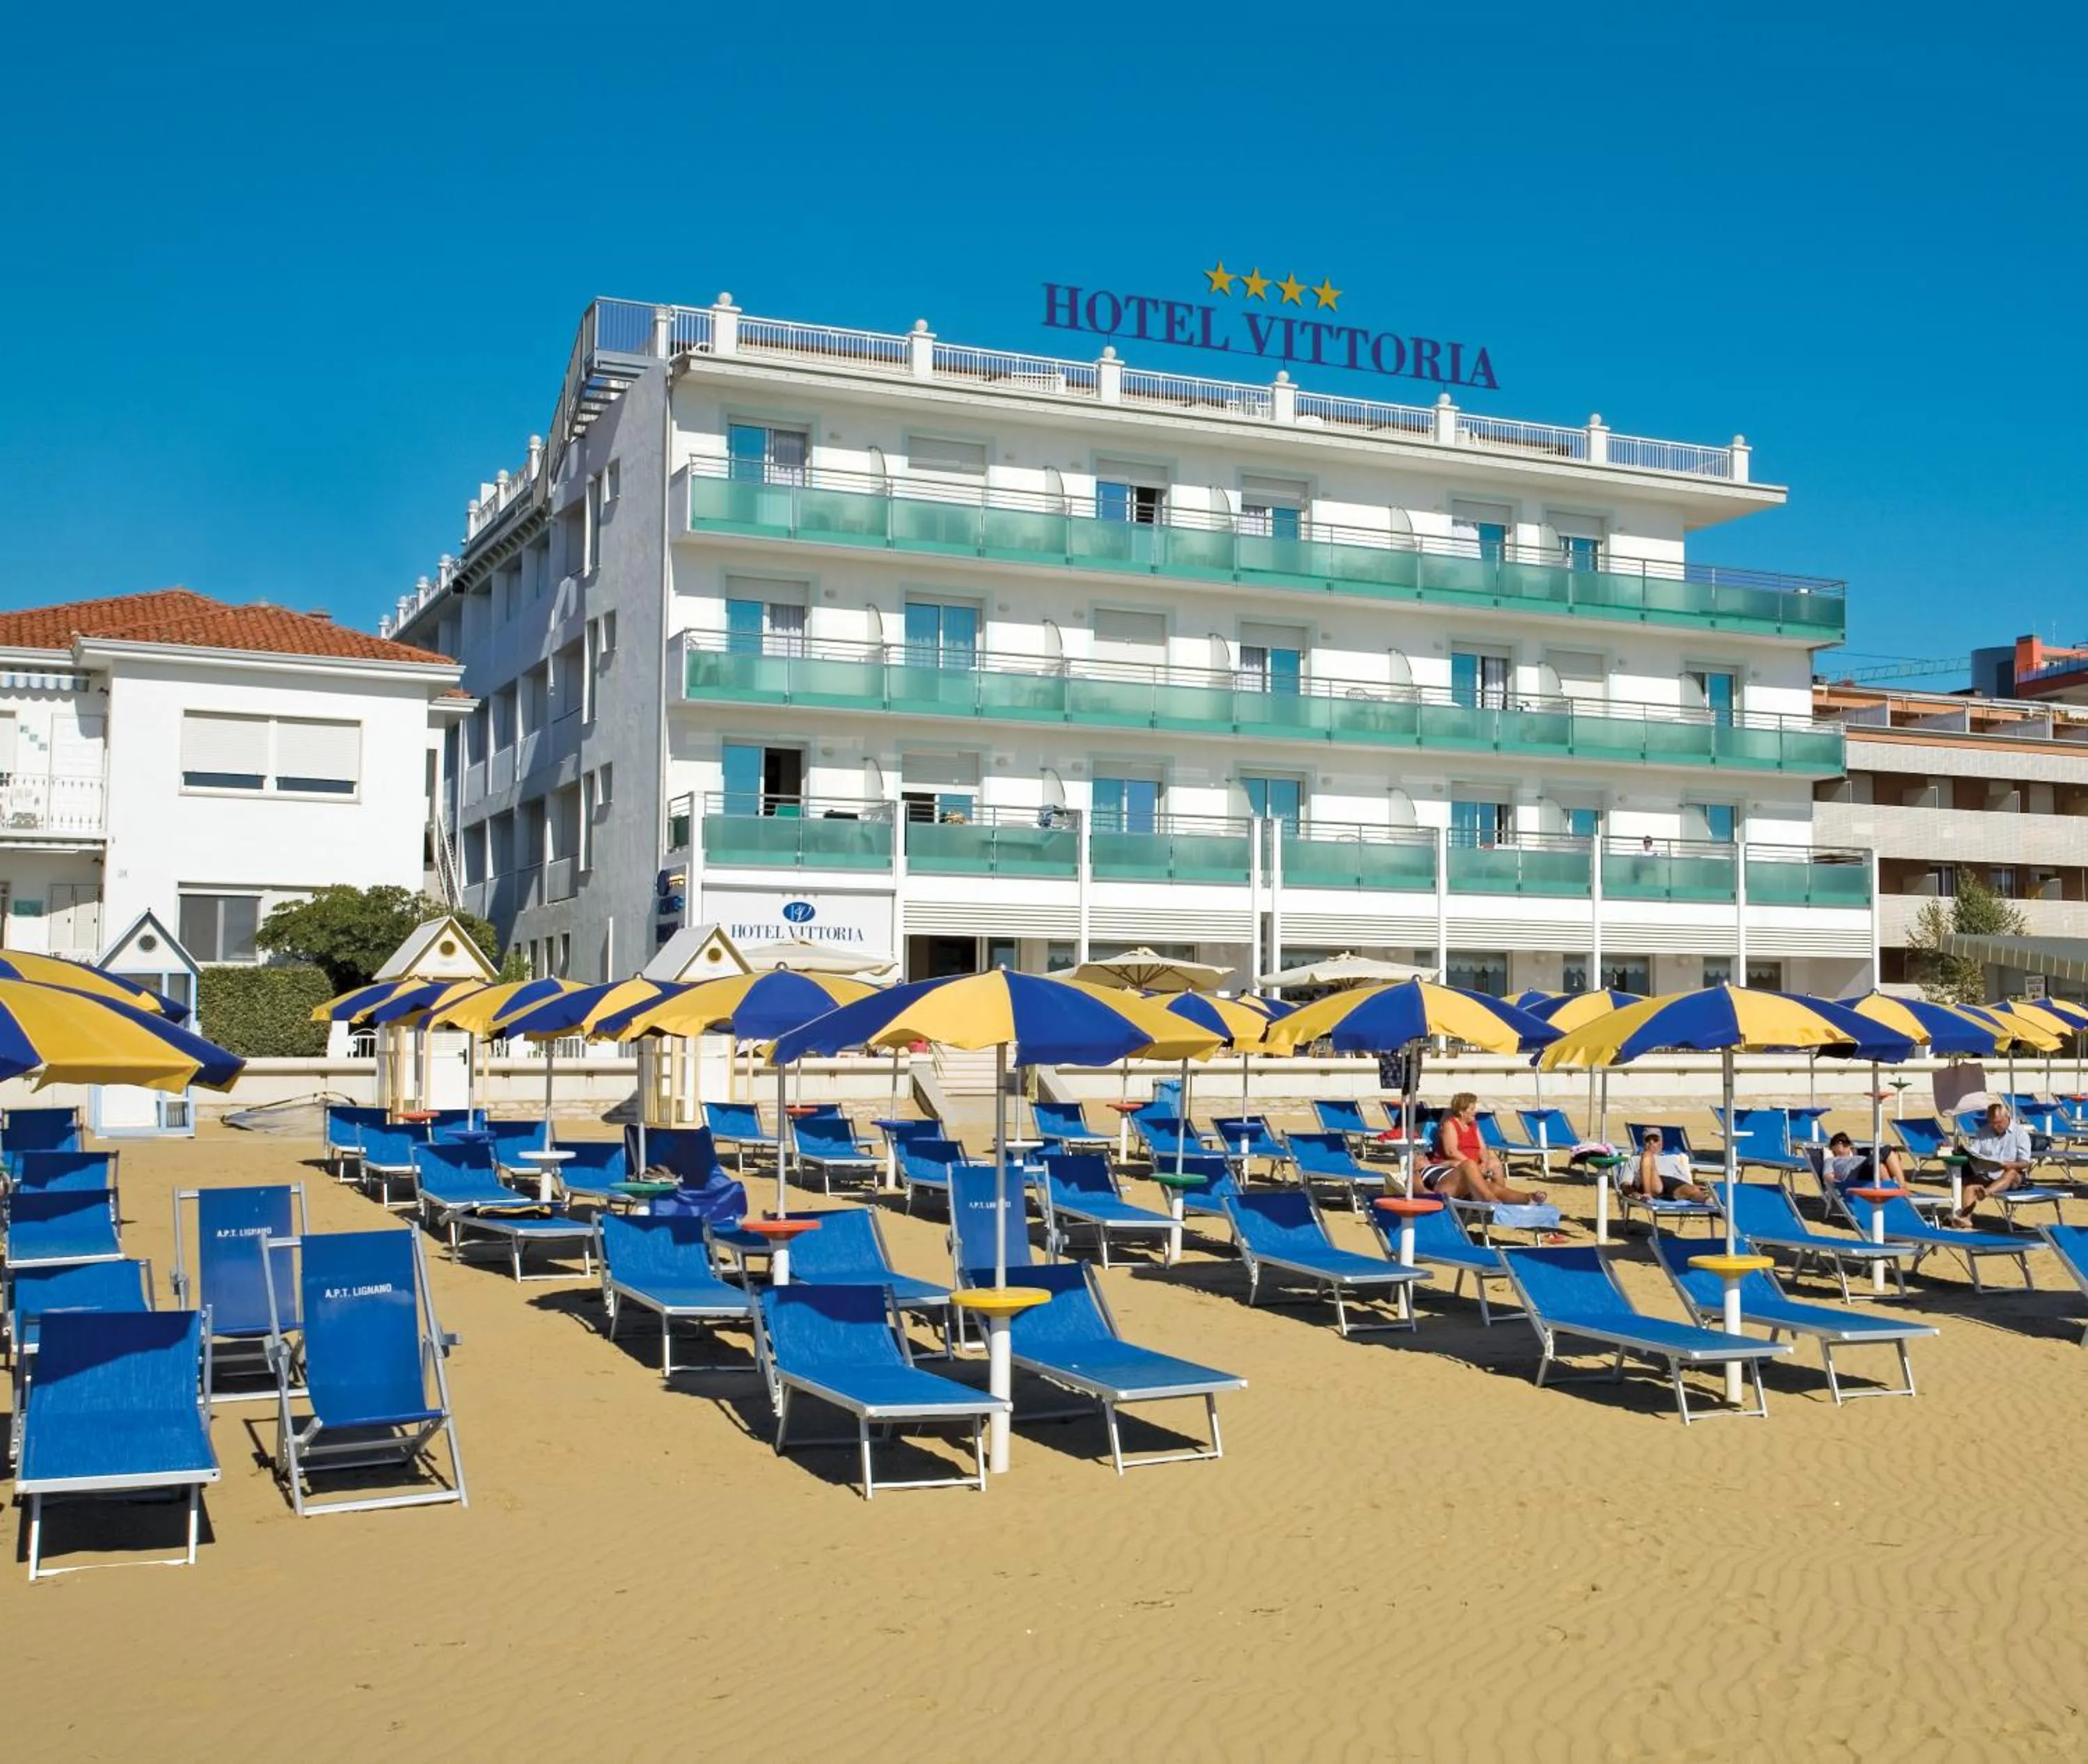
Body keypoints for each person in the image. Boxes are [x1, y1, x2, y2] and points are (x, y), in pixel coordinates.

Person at [1428, 1092, 1546, 1204]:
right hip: (1456, 1164)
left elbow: (1483, 1148)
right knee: (1471, 1166)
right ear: (1461, 1111)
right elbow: (1451, 1151)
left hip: (1473, 1162)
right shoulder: (1450, 1124)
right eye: (1472, 1109)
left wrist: (1485, 1162)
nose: (1475, 1112)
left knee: (1495, 1164)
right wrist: (1474, 1165)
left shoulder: (1473, 1125)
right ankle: (1489, 1197)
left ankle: (1502, 1195)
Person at [1954, 1101, 2036, 1228]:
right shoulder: (1984, 1132)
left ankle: (1986, 1193)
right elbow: (1975, 1153)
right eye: (1992, 1123)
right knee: (1970, 1187)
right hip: (1990, 1174)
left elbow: (2025, 1162)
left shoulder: (2020, 1134)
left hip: (2014, 1177)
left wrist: (2011, 1165)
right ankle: (1966, 1218)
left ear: (2007, 1117)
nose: (1995, 1126)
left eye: (1998, 1123)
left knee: (2011, 1173)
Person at [1630, 1128, 1717, 1205]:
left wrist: (1691, 1185)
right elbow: (1625, 1183)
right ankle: (1647, 1195)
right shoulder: (1635, 1158)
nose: (1651, 1143)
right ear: (1643, 1142)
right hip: (1652, 1184)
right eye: (1648, 1140)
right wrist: (1632, 1192)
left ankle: (1709, 1202)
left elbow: (1682, 1176)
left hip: (1673, 1184)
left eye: (1655, 1140)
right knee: (1647, 1155)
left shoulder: (1674, 1158)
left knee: (1693, 1191)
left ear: (1661, 1143)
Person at [1821, 1130, 1908, 1190]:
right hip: (1853, 1177)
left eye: (1847, 1142)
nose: (1845, 1144)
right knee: (1886, 1150)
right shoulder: (1831, 1160)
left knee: (1881, 1164)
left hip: (1867, 1171)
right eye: (1841, 1142)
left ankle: (1898, 1189)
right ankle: (1899, 1188)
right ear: (1832, 1147)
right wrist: (1840, 1185)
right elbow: (1827, 1176)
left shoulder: (1857, 1156)